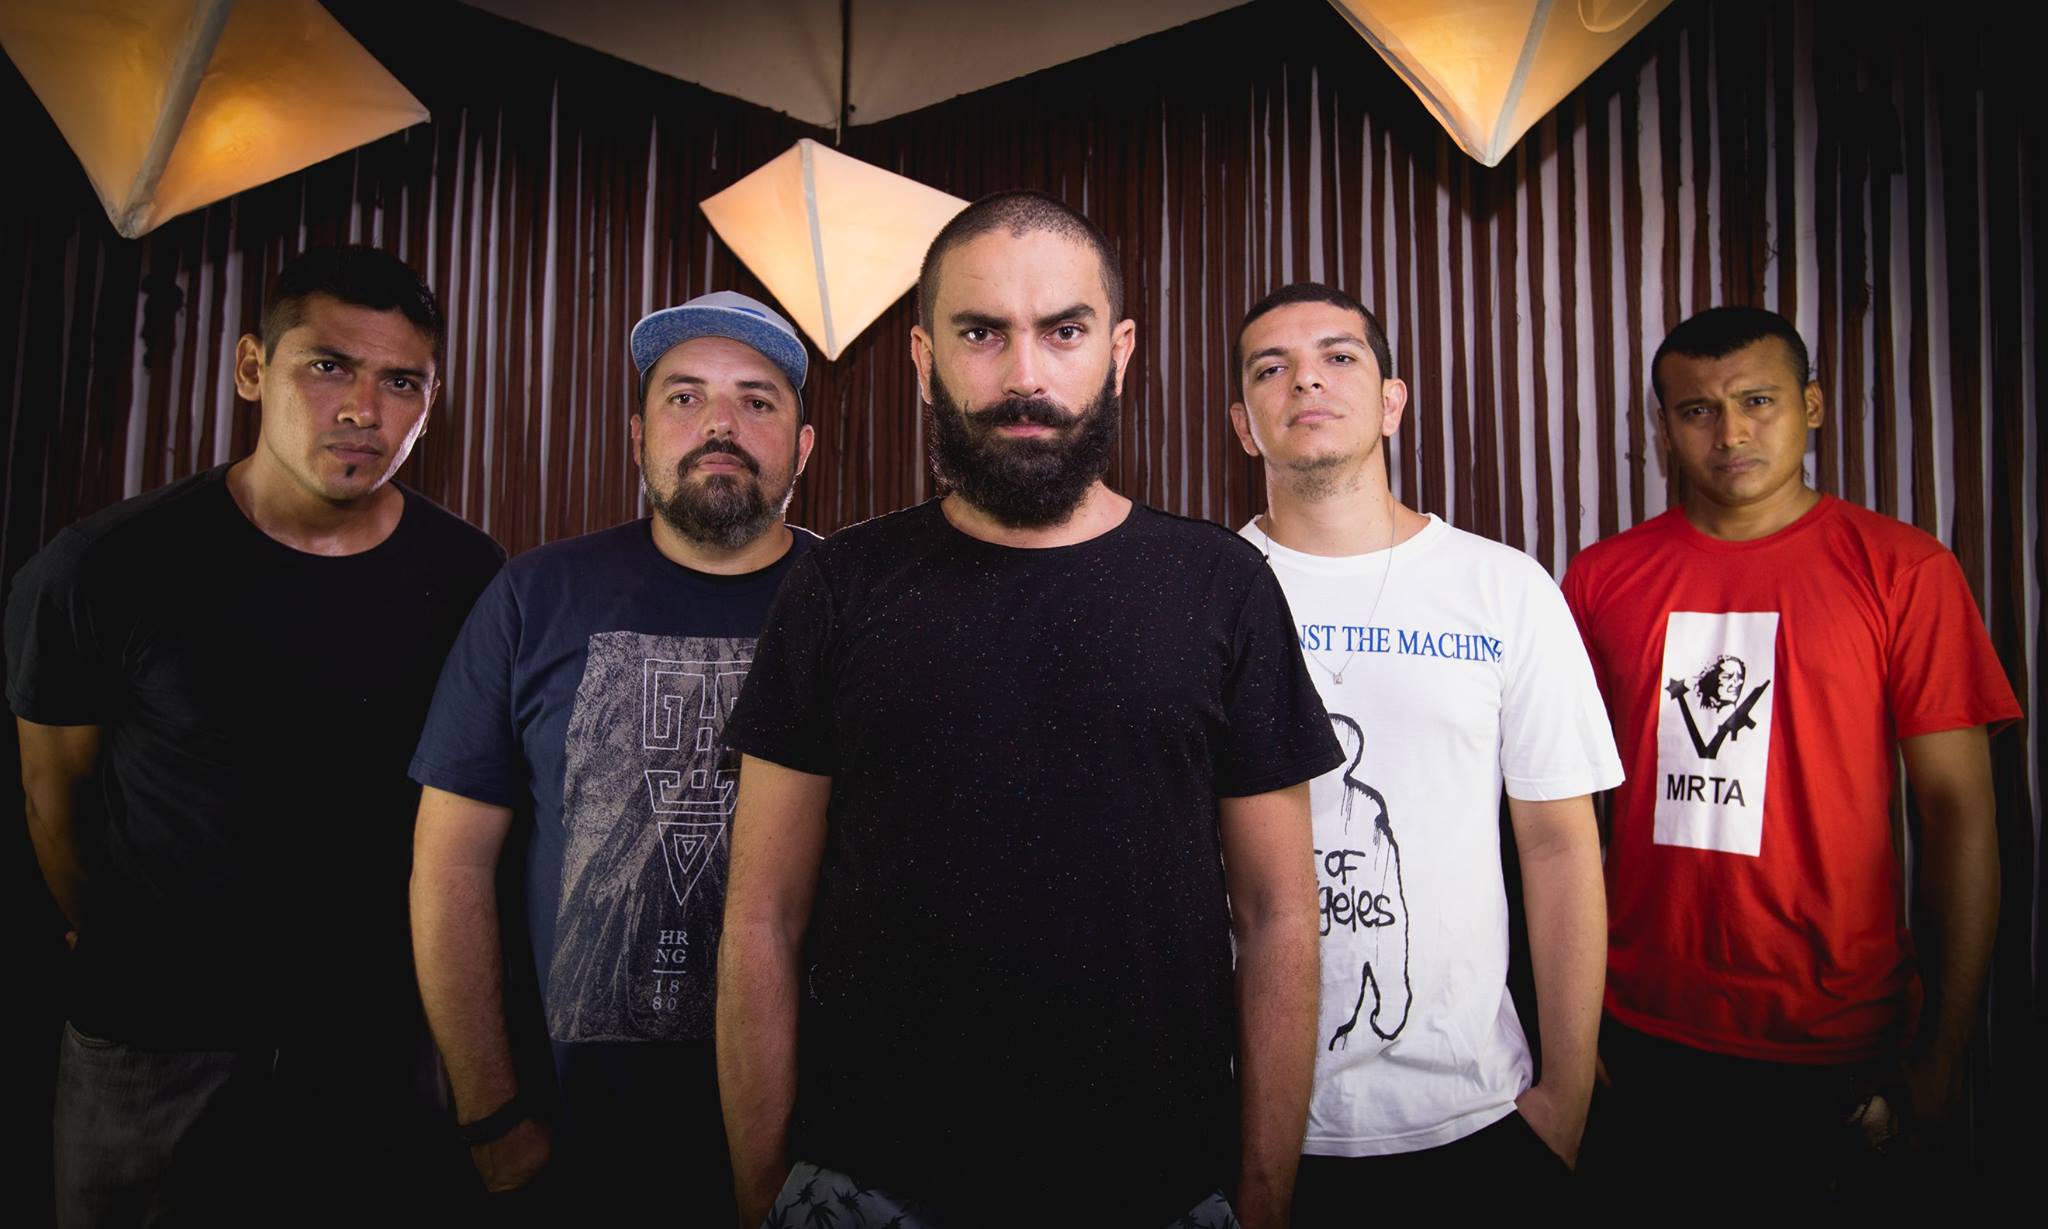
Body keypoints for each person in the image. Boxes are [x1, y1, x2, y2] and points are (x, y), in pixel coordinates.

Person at [716, 191, 1340, 1229]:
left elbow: (1278, 914)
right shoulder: (838, 586)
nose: (1024, 377)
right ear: (922, 359)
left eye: (1063, 331)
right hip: (868, 1184)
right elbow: (761, 915)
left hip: (1158, 1187)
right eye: (980, 333)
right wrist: (761, 1187)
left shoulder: (1221, 586)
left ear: (1119, 351)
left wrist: (1266, 1193)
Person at [5, 245, 504, 1224]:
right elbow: (50, 795)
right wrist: (125, 943)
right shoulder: (106, 565)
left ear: (430, 401)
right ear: (250, 369)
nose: (363, 408)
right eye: (327, 365)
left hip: (375, 1040)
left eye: (401, 381)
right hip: (154, 1041)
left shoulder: (471, 577)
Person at [1560, 306, 2020, 1195]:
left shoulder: (1903, 569)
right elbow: (1557, 814)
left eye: (1757, 401)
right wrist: (1567, 1026)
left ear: (1811, 405)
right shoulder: (1601, 578)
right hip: (1639, 1027)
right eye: (1698, 410)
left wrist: (1944, 1055)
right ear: (1664, 427)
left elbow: (1960, 815)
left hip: (1839, 1041)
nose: (1730, 433)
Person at [408, 291, 817, 1222]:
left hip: (808, 1151)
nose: (720, 424)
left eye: (756, 400)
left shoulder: (859, 607)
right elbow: (450, 864)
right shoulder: (534, 596)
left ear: (803, 447)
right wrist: (490, 1113)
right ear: (637, 436)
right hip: (573, 1148)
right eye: (685, 396)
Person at [1226, 283, 1619, 1216]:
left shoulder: (1502, 588)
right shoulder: (1198, 595)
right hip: (1241, 1119)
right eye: (1272, 368)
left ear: (1392, 402)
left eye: (1339, 356)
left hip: (1474, 1114)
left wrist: (1565, 1096)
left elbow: (1560, 846)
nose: (1306, 380)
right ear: (1244, 425)